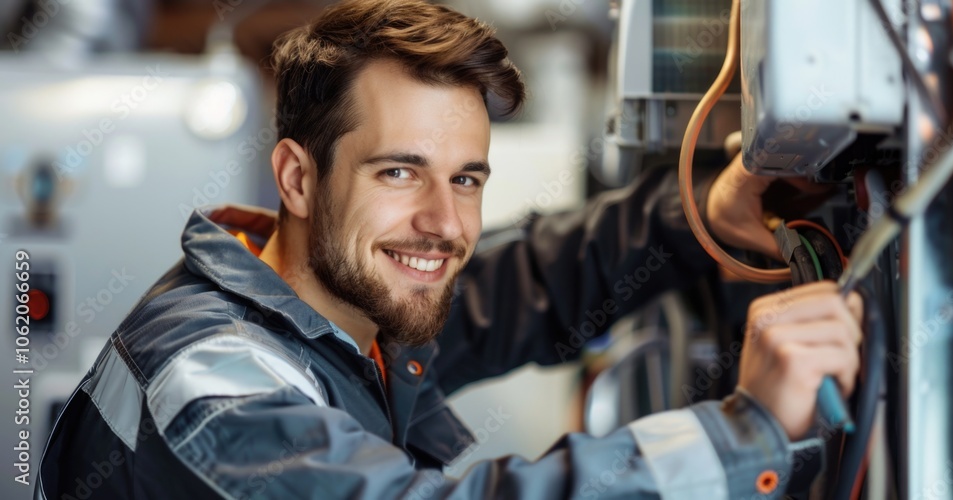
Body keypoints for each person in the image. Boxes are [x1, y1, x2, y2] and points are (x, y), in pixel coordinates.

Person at [36, 0, 863, 498]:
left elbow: (516, 286)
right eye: (399, 172)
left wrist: (696, 215)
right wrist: (746, 433)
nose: (444, 223)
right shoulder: (213, 384)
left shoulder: (325, 302)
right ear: (297, 177)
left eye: (466, 179)